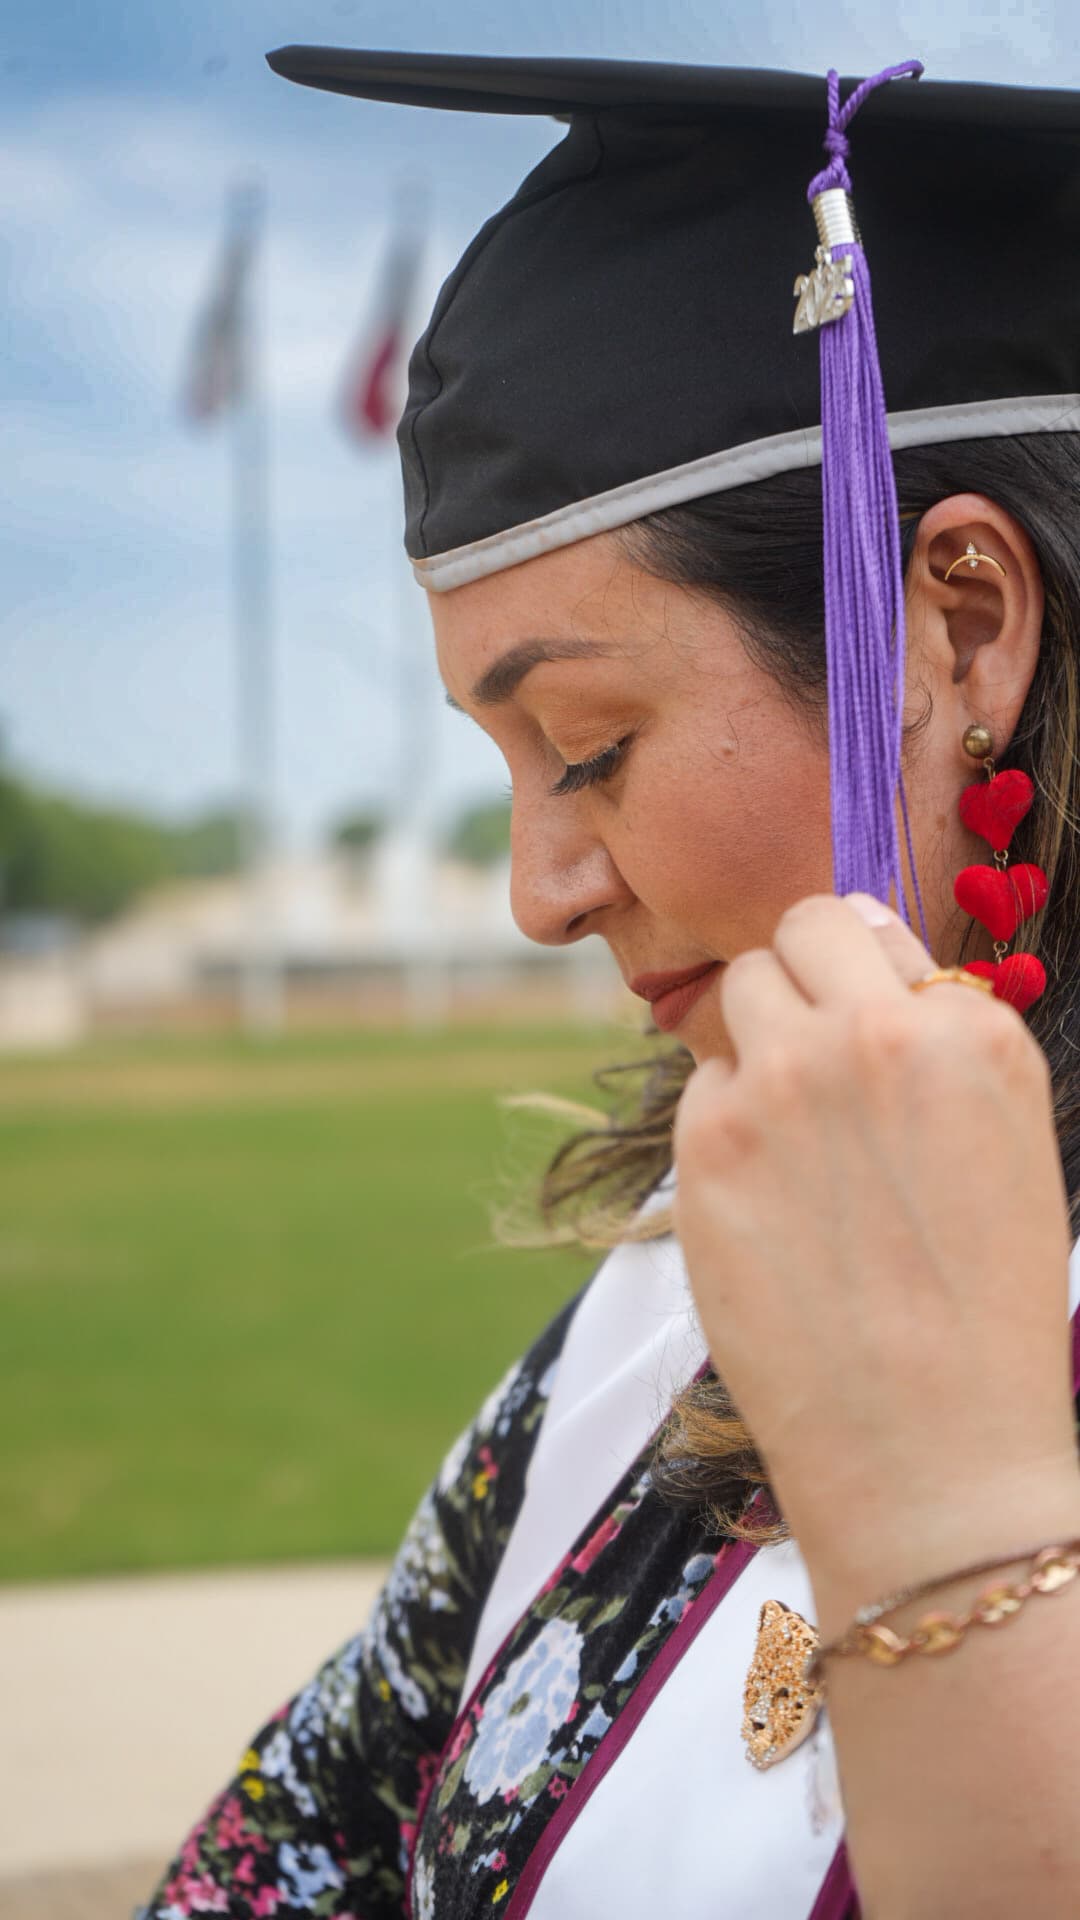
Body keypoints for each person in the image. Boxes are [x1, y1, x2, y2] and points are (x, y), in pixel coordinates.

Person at [141, 50, 1080, 1919]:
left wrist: (950, 1527)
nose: (537, 893)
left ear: (960, 622)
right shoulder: (687, 1259)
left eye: (585, 744)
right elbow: (302, 1841)